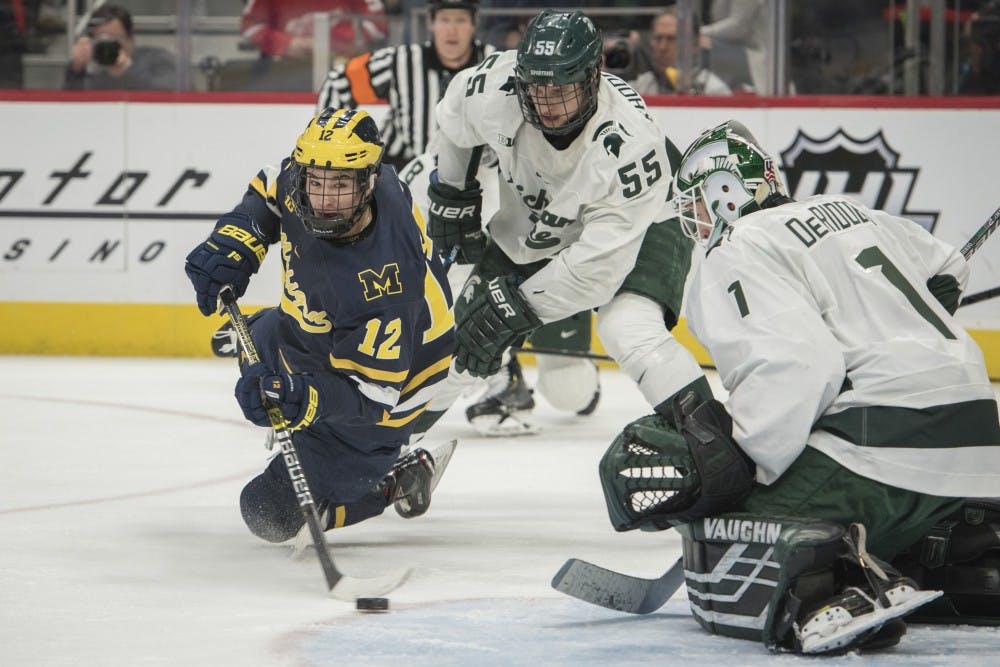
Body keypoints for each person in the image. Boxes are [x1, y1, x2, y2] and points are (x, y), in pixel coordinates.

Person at [598, 120, 1000, 654]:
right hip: (977, 441)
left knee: (728, 539)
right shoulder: (852, 211)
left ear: (724, 195)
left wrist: (747, 468)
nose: (695, 222)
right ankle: (965, 555)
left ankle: (834, 589)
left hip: (884, 441)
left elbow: (796, 369)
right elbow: (947, 265)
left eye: (695, 206)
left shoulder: (739, 247)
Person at [425, 9, 711, 439]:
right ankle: (372, 451)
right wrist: (454, 193)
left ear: (594, 75)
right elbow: (454, 115)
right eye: (536, 87)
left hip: (648, 215)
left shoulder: (631, 146)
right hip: (539, 221)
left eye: (563, 89)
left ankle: (714, 446)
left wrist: (512, 310)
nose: (547, 103)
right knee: (456, 348)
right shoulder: (495, 86)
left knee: (626, 327)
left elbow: (595, 274)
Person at [183, 108, 456, 542]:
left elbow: (371, 396)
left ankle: (395, 479)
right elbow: (272, 186)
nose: (325, 200)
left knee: (267, 513)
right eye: (316, 182)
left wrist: (301, 399)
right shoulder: (319, 174)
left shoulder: (385, 281)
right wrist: (237, 240)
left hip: (395, 385)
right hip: (320, 333)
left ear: (368, 182)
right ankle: (274, 353)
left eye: (342, 186)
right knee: (258, 344)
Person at [399, 148, 602, 436]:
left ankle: (575, 373)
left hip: (545, 274)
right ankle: (503, 378)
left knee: (570, 391)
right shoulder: (429, 172)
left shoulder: (535, 161)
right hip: (477, 288)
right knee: (457, 279)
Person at [315, 0, 495, 170]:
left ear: (474, 24)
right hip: (401, 172)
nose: (452, 30)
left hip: (475, 175)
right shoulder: (401, 60)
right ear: (431, 23)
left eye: (461, 20)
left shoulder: (493, 64)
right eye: (444, 20)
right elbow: (339, 82)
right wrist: (332, 144)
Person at [63, 3, 178, 91]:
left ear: (131, 38)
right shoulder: (91, 69)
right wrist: (75, 71)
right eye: (102, 41)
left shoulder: (157, 59)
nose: (108, 48)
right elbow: (67, 110)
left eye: (114, 39)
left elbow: (175, 96)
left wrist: (128, 71)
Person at [240, 0, 388, 65]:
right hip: (285, 68)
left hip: (345, 67)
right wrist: (287, 43)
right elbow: (250, 27)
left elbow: (378, 25)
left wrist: (330, 41)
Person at [629, 8, 731, 96]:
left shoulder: (714, 91)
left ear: (694, 44)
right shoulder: (639, 89)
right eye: (658, 38)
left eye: (672, 39)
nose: (662, 47)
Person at [699, 0, 767, 93]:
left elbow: (738, 27)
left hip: (754, 54)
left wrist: (696, 32)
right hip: (733, 47)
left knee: (701, 46)